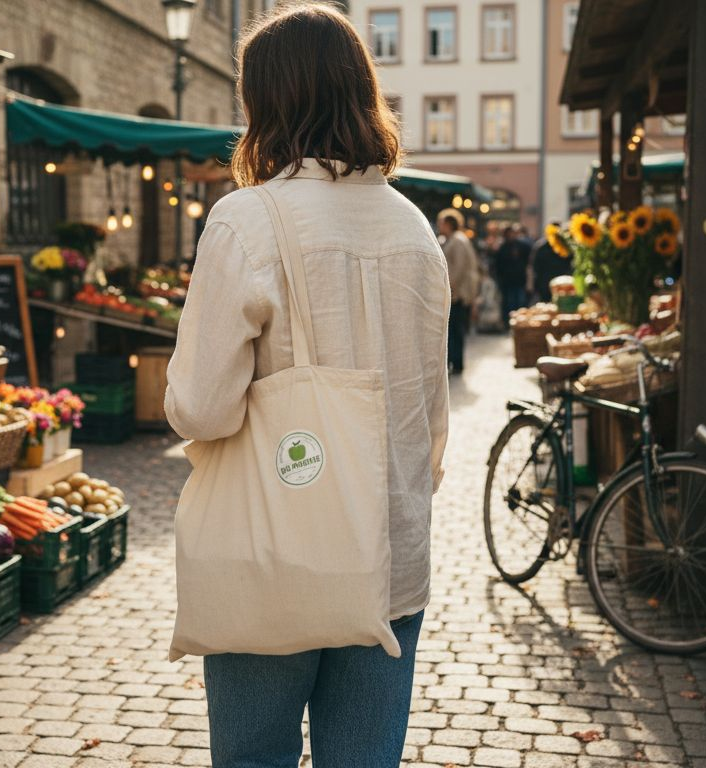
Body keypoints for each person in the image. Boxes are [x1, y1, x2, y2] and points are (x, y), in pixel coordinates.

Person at [163, 5, 450, 766]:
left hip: (275, 552)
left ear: (266, 103)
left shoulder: (245, 222)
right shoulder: (415, 229)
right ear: (361, 91)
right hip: (391, 549)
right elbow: (432, 409)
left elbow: (200, 407)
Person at [438, 208, 480, 373]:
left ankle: (456, 363)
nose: (440, 226)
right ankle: (453, 362)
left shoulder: (458, 241)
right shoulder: (453, 240)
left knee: (455, 329)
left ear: (448, 224)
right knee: (453, 329)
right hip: (456, 292)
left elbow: (460, 268)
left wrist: (448, 287)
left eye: (441, 222)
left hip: (458, 294)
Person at [493, 224, 532, 319]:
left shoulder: (523, 246)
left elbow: (528, 262)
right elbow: (498, 265)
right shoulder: (502, 248)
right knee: (510, 303)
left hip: (520, 280)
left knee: (520, 303)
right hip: (507, 282)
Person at [531, 220, 572, 303]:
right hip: (546, 284)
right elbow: (535, 267)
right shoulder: (540, 247)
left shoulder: (565, 246)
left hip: (562, 284)